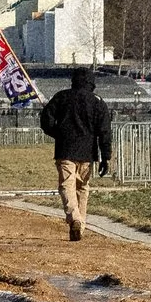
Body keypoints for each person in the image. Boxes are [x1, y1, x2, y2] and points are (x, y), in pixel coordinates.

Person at [37, 66, 114, 239]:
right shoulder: (98, 102)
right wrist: (105, 157)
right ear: (92, 83)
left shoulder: (62, 97)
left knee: (67, 185)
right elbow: (104, 132)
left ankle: (74, 218)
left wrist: (58, 133)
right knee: (82, 188)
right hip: (88, 152)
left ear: (73, 81)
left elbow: (46, 120)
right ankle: (81, 223)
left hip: (65, 148)